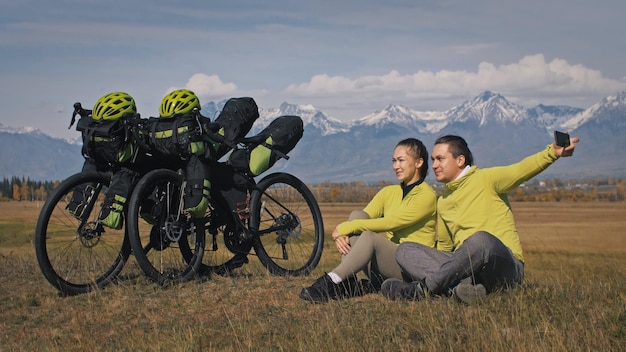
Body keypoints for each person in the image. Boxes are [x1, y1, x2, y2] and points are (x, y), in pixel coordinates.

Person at [381, 133, 579, 304]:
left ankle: (423, 290)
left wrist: (552, 152)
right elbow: (445, 247)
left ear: (460, 160)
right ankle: (460, 290)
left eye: (440, 159)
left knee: (481, 239)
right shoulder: (443, 201)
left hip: (503, 266)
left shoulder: (487, 179)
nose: (434, 166)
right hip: (466, 270)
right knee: (406, 250)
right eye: (433, 160)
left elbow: (521, 170)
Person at [299, 138, 437, 303]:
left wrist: (347, 228)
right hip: (388, 263)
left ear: (418, 162)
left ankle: (332, 280)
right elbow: (363, 217)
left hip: (409, 267)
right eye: (393, 161)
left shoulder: (427, 196)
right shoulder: (389, 192)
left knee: (367, 235)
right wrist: (347, 230)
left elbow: (392, 222)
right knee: (357, 215)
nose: (395, 166)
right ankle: (348, 282)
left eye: (401, 160)